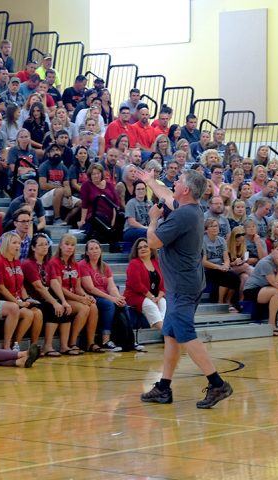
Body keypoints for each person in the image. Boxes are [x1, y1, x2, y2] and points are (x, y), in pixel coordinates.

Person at [136, 168, 233, 409]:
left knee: (185, 334)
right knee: (170, 335)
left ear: (186, 189)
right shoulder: (190, 208)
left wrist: (152, 220)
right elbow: (168, 196)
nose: (174, 183)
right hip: (185, 282)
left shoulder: (183, 216)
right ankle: (163, 388)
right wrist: (150, 182)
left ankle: (217, 382)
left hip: (183, 285)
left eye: (178, 181)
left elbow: (154, 242)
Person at [46, 234, 99, 353]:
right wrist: (80, 299)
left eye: (72, 245)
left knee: (93, 306)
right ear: (60, 246)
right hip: (60, 297)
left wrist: (86, 296)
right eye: (67, 244)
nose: (70, 247)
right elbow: (58, 288)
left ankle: (90, 343)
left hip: (73, 296)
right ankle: (72, 342)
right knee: (84, 308)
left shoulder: (75, 264)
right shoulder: (54, 262)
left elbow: (78, 287)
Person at [0, 231, 43, 350]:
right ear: (6, 244)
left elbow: (21, 286)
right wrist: (18, 302)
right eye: (14, 243)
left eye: (19, 243)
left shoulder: (17, 262)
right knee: (28, 314)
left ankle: (33, 346)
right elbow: (1, 288)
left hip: (17, 299)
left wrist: (26, 298)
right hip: (4, 301)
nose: (17, 246)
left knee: (38, 313)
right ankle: (11, 345)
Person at [79, 239, 126, 352]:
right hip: (91, 297)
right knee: (109, 304)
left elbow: (111, 286)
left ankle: (128, 339)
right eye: (91, 249)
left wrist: (118, 297)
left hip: (104, 296)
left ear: (100, 250)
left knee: (123, 304)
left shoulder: (105, 266)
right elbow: (90, 288)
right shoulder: (83, 265)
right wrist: (112, 298)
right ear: (86, 252)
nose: (94, 251)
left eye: (96, 248)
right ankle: (105, 340)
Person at [123, 238, 164, 346]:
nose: (142, 249)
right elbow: (136, 285)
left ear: (151, 248)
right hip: (135, 296)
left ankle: (166, 331)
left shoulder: (156, 263)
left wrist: (159, 297)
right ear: (136, 251)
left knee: (163, 303)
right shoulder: (134, 263)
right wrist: (152, 297)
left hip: (154, 296)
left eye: (145, 246)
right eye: (139, 247)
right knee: (152, 306)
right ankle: (168, 334)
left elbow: (164, 283)